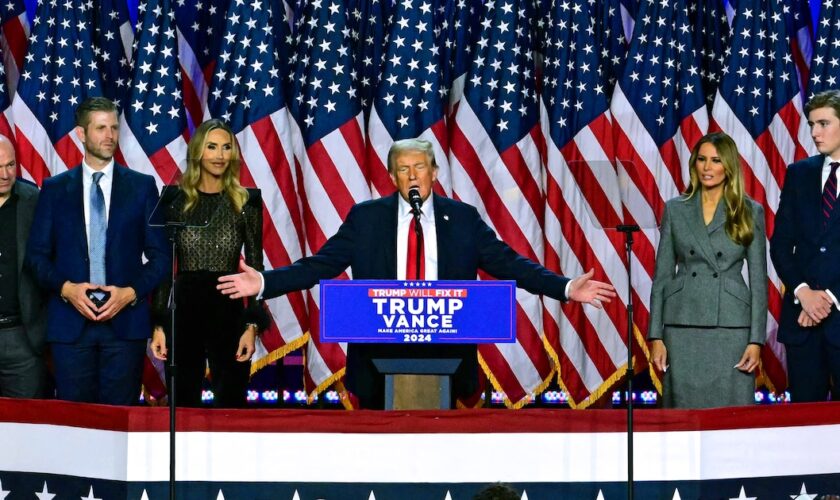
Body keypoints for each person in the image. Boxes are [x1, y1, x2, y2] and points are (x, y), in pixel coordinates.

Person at [217, 138, 615, 409]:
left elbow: (509, 264)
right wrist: (265, 282)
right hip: (378, 357)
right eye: (403, 169)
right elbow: (320, 265)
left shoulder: (462, 219)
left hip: (445, 355)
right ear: (391, 177)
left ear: (434, 172)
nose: (412, 176)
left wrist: (564, 287)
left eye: (419, 168)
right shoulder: (367, 218)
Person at [25, 97, 169, 405]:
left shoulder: (142, 187)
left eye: (114, 128)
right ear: (81, 133)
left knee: (120, 425)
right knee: (76, 427)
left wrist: (130, 293)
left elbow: (161, 257)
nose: (110, 136)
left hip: (124, 327)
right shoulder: (54, 189)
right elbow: (36, 257)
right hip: (70, 328)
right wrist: (67, 289)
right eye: (101, 128)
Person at [149, 119, 265, 408]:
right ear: (198, 151)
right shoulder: (174, 200)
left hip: (228, 308)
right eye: (212, 147)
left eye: (226, 147)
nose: (219, 155)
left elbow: (255, 266)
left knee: (231, 402)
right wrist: (160, 324)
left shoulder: (246, 201)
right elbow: (164, 268)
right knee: (183, 402)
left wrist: (251, 325)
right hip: (184, 310)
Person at [648, 132, 767, 408]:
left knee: (731, 414)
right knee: (682, 415)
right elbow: (662, 276)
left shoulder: (750, 210)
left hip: (731, 326)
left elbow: (759, 282)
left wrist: (756, 340)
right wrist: (656, 335)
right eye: (701, 159)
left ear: (728, 166)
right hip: (682, 324)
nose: (706, 167)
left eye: (715, 160)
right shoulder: (676, 209)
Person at [771, 89, 840, 403]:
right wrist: (803, 292)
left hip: (830, 313)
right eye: (812, 124)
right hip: (802, 324)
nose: (814, 133)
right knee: (802, 424)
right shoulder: (799, 173)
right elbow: (781, 244)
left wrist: (825, 299)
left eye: (823, 123)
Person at [0, 135, 47, 398]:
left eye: (10, 165)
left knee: (26, 430)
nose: (6, 174)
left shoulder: (34, 201)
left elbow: (50, 261)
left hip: (23, 339)